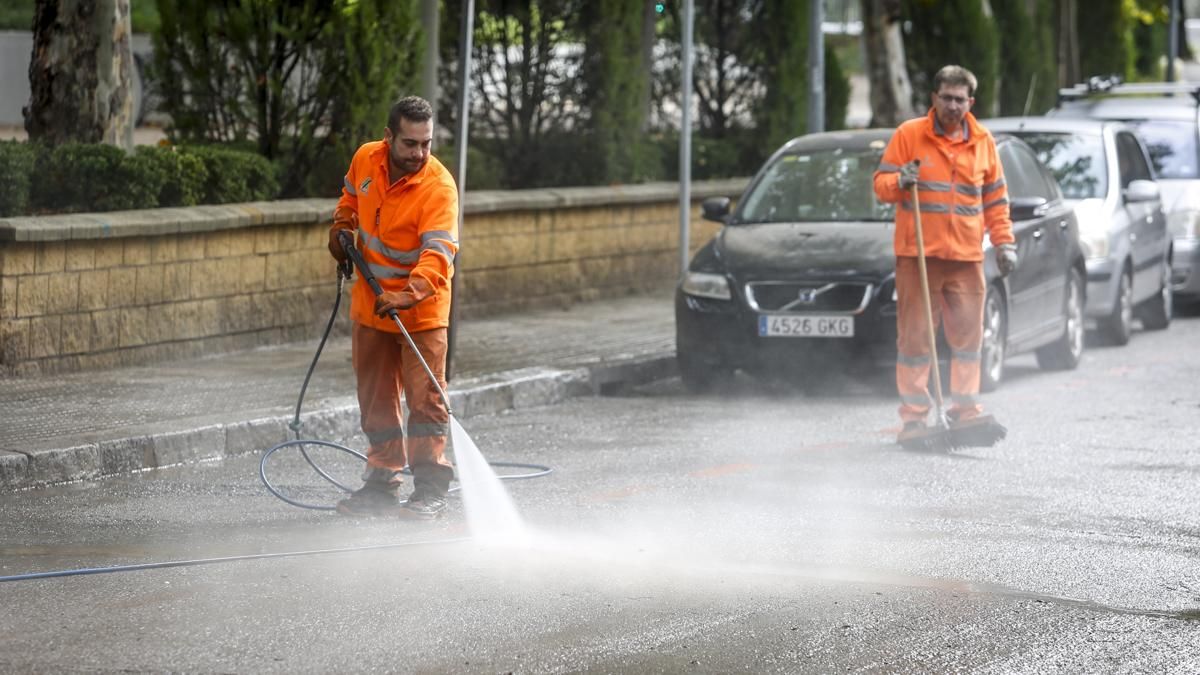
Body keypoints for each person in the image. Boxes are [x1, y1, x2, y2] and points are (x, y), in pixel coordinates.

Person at [327, 96, 459, 518]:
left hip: (420, 312)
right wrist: (341, 228)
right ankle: (382, 482)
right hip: (371, 305)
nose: (420, 153)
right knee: (376, 399)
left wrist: (410, 292)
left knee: (426, 403)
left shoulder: (438, 187)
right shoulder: (366, 159)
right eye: (410, 144)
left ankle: (432, 488)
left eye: (427, 143)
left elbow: (439, 252)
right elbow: (349, 201)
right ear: (388, 138)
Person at [872, 65, 1017, 444]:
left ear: (971, 102)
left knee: (969, 340)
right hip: (918, 256)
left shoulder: (983, 142)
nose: (953, 106)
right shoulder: (909, 135)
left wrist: (1004, 243)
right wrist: (900, 180)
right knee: (916, 341)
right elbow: (880, 185)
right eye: (946, 98)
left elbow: (996, 201)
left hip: (967, 259)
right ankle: (915, 418)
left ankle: (965, 409)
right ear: (933, 99)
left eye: (960, 99)